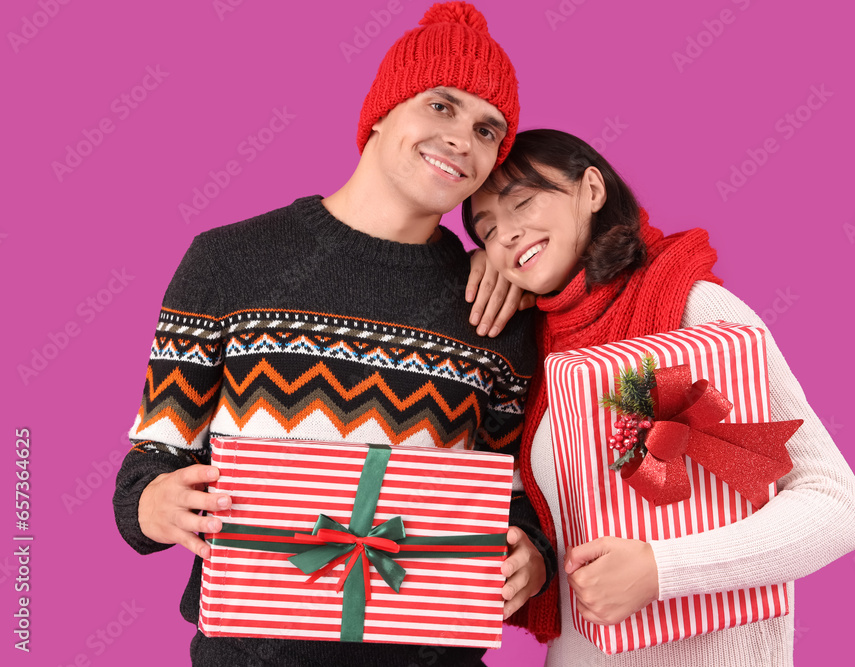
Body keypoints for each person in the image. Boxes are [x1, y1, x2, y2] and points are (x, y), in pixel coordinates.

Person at [112, 4, 553, 665]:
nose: (464, 137)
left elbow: (510, 492)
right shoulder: (228, 261)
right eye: (441, 106)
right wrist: (154, 504)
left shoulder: (496, 305)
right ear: (381, 112)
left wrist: (532, 557)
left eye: (488, 129)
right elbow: (149, 467)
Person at [462, 128, 855, 666]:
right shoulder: (539, 353)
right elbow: (571, 522)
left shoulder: (694, 311)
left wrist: (663, 569)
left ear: (591, 189)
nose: (507, 236)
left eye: (522, 202)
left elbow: (837, 504)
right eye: (486, 230)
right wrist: (533, 559)